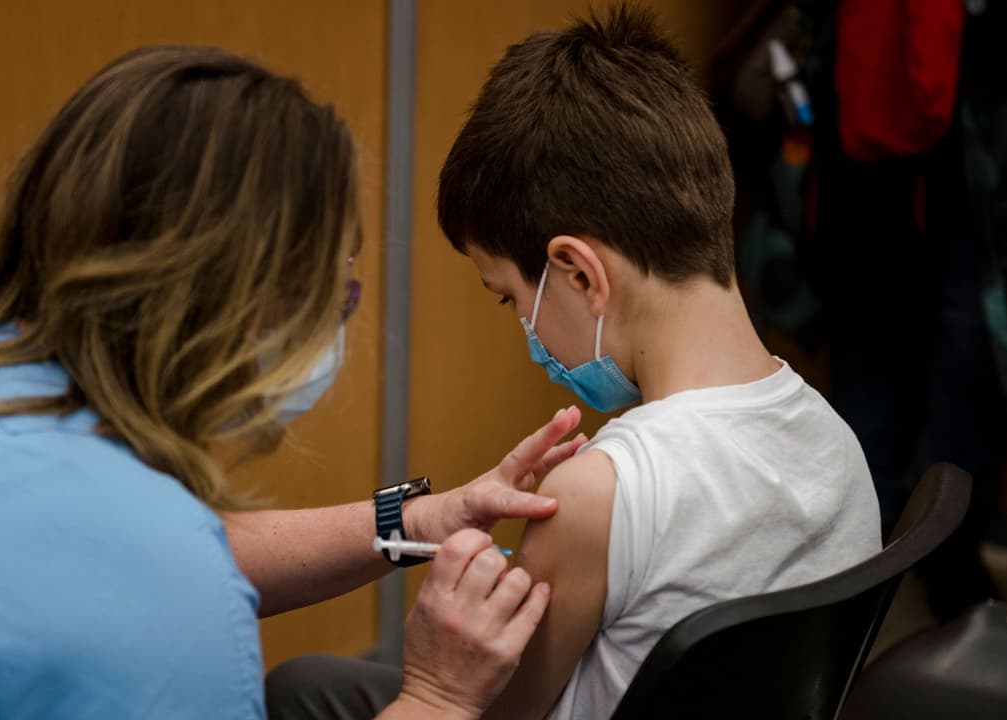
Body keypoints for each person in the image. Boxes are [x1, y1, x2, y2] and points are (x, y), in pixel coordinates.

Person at [0, 45, 585, 718]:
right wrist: (439, 697)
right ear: (254, 304)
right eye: (335, 293)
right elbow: (137, 567)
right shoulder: (151, 582)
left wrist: (414, 520)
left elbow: (94, 556)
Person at [266, 7, 882, 719]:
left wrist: (436, 672)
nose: (528, 334)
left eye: (510, 300)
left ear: (581, 274)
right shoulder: (841, 446)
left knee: (297, 688)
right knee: (310, 683)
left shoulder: (599, 495)